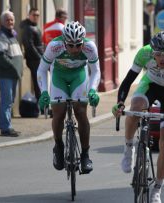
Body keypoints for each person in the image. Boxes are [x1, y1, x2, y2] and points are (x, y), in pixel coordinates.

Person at [112, 31, 164, 203]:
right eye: (158, 54)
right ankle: (128, 149)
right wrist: (119, 103)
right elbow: (127, 81)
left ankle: (157, 188)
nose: (162, 58)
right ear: (152, 52)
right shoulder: (143, 53)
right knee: (135, 108)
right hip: (151, 85)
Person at [37, 21, 100, 173]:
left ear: (82, 41)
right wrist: (44, 92)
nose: (74, 49)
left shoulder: (90, 47)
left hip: (78, 76)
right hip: (59, 76)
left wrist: (92, 90)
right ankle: (58, 146)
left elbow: (96, 71)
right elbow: (41, 70)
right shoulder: (54, 46)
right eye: (70, 45)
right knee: (58, 112)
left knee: (80, 111)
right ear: (64, 42)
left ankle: (85, 155)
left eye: (78, 45)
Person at [0, 10, 23, 137]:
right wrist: (13, 67)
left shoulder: (11, 35)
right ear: (2, 22)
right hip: (6, 74)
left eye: (11, 20)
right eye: (7, 20)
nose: (10, 22)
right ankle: (5, 128)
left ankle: (8, 126)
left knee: (10, 101)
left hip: (13, 74)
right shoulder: (0, 36)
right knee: (6, 100)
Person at [20, 8, 43, 102]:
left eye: (37, 15)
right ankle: (42, 105)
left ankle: (42, 104)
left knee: (40, 82)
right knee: (38, 83)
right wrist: (39, 57)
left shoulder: (35, 27)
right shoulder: (28, 28)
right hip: (34, 60)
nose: (36, 17)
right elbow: (29, 45)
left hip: (38, 58)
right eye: (34, 15)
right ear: (29, 15)